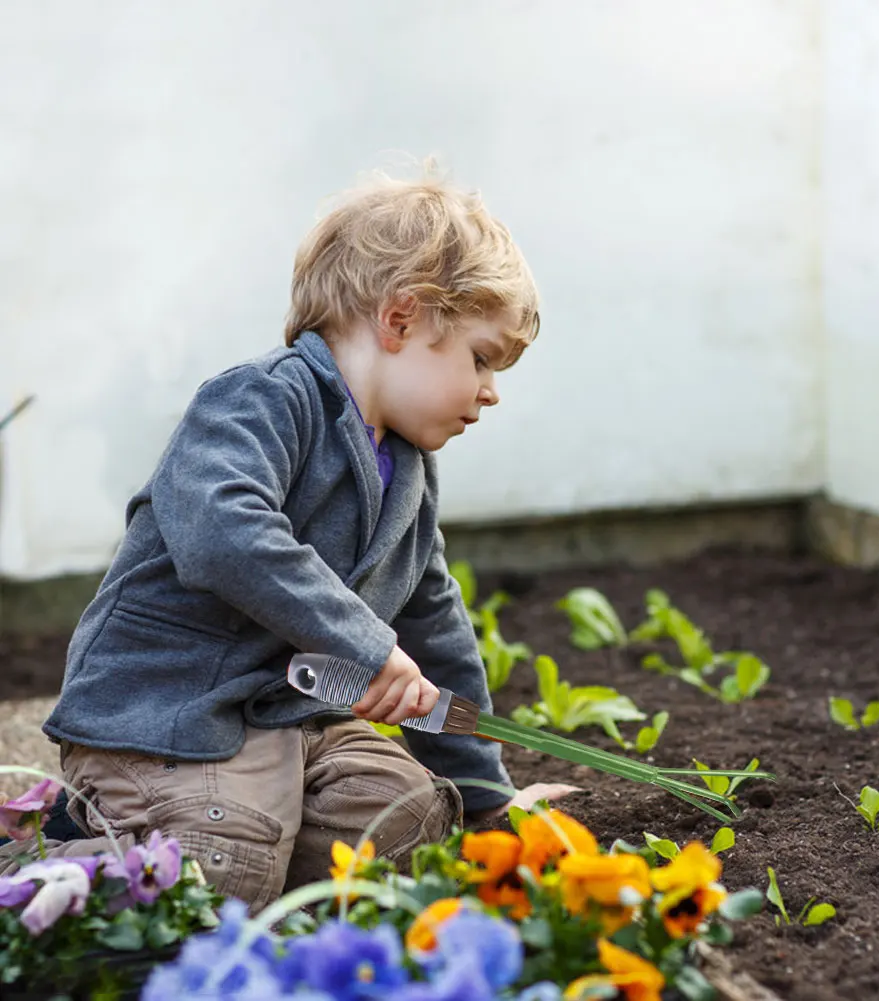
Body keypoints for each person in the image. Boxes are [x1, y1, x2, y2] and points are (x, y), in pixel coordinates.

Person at [0, 170, 576, 910]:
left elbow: (434, 631)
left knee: (408, 828)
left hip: (293, 727)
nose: (491, 389)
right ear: (400, 319)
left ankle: (223, 838)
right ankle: (42, 867)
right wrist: (364, 644)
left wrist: (487, 802)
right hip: (167, 717)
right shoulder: (258, 399)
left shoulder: (407, 469)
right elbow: (223, 531)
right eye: (483, 357)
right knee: (216, 872)